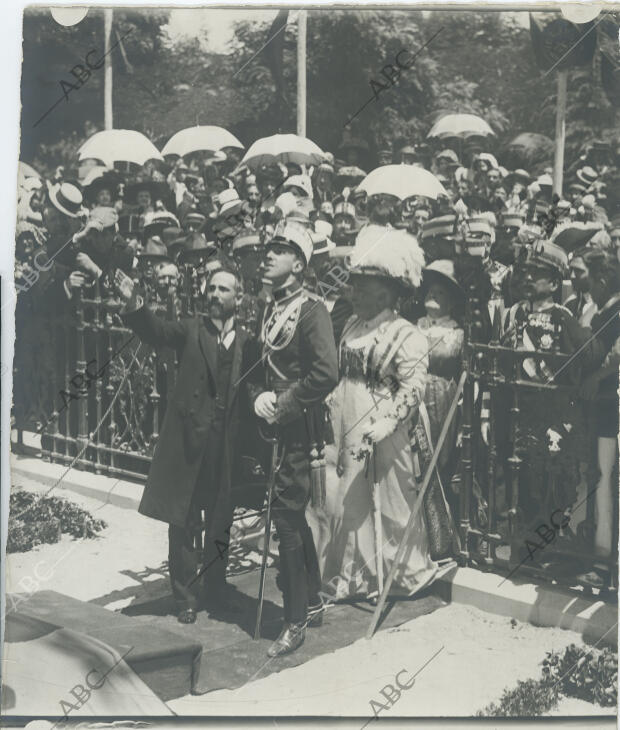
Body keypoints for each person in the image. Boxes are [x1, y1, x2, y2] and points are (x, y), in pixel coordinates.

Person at [113, 265, 256, 624]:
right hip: (190, 442)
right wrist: (134, 301)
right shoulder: (191, 329)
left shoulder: (248, 341)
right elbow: (156, 330)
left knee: (221, 520)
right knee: (184, 522)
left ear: (238, 298)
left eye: (224, 290)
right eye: (211, 288)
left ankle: (218, 589)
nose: (215, 295)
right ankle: (186, 597)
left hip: (226, 445)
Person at [308, 226, 439, 604]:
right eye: (355, 285)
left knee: (383, 505)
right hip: (342, 419)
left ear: (388, 291)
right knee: (341, 496)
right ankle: (345, 575)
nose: (355, 292)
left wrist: (387, 422)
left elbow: (414, 388)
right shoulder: (351, 325)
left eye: (364, 287)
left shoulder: (406, 334)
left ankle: (386, 573)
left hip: (382, 428)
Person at [249, 220, 338, 657]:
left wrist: (285, 404)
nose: (267, 254)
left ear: (299, 264)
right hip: (274, 426)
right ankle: (314, 599)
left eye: (279, 249)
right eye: (268, 247)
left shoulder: (312, 310)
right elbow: (259, 366)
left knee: (285, 519)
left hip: (300, 429)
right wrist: (260, 396)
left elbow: (326, 373)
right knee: (291, 517)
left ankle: (294, 620)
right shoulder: (269, 307)